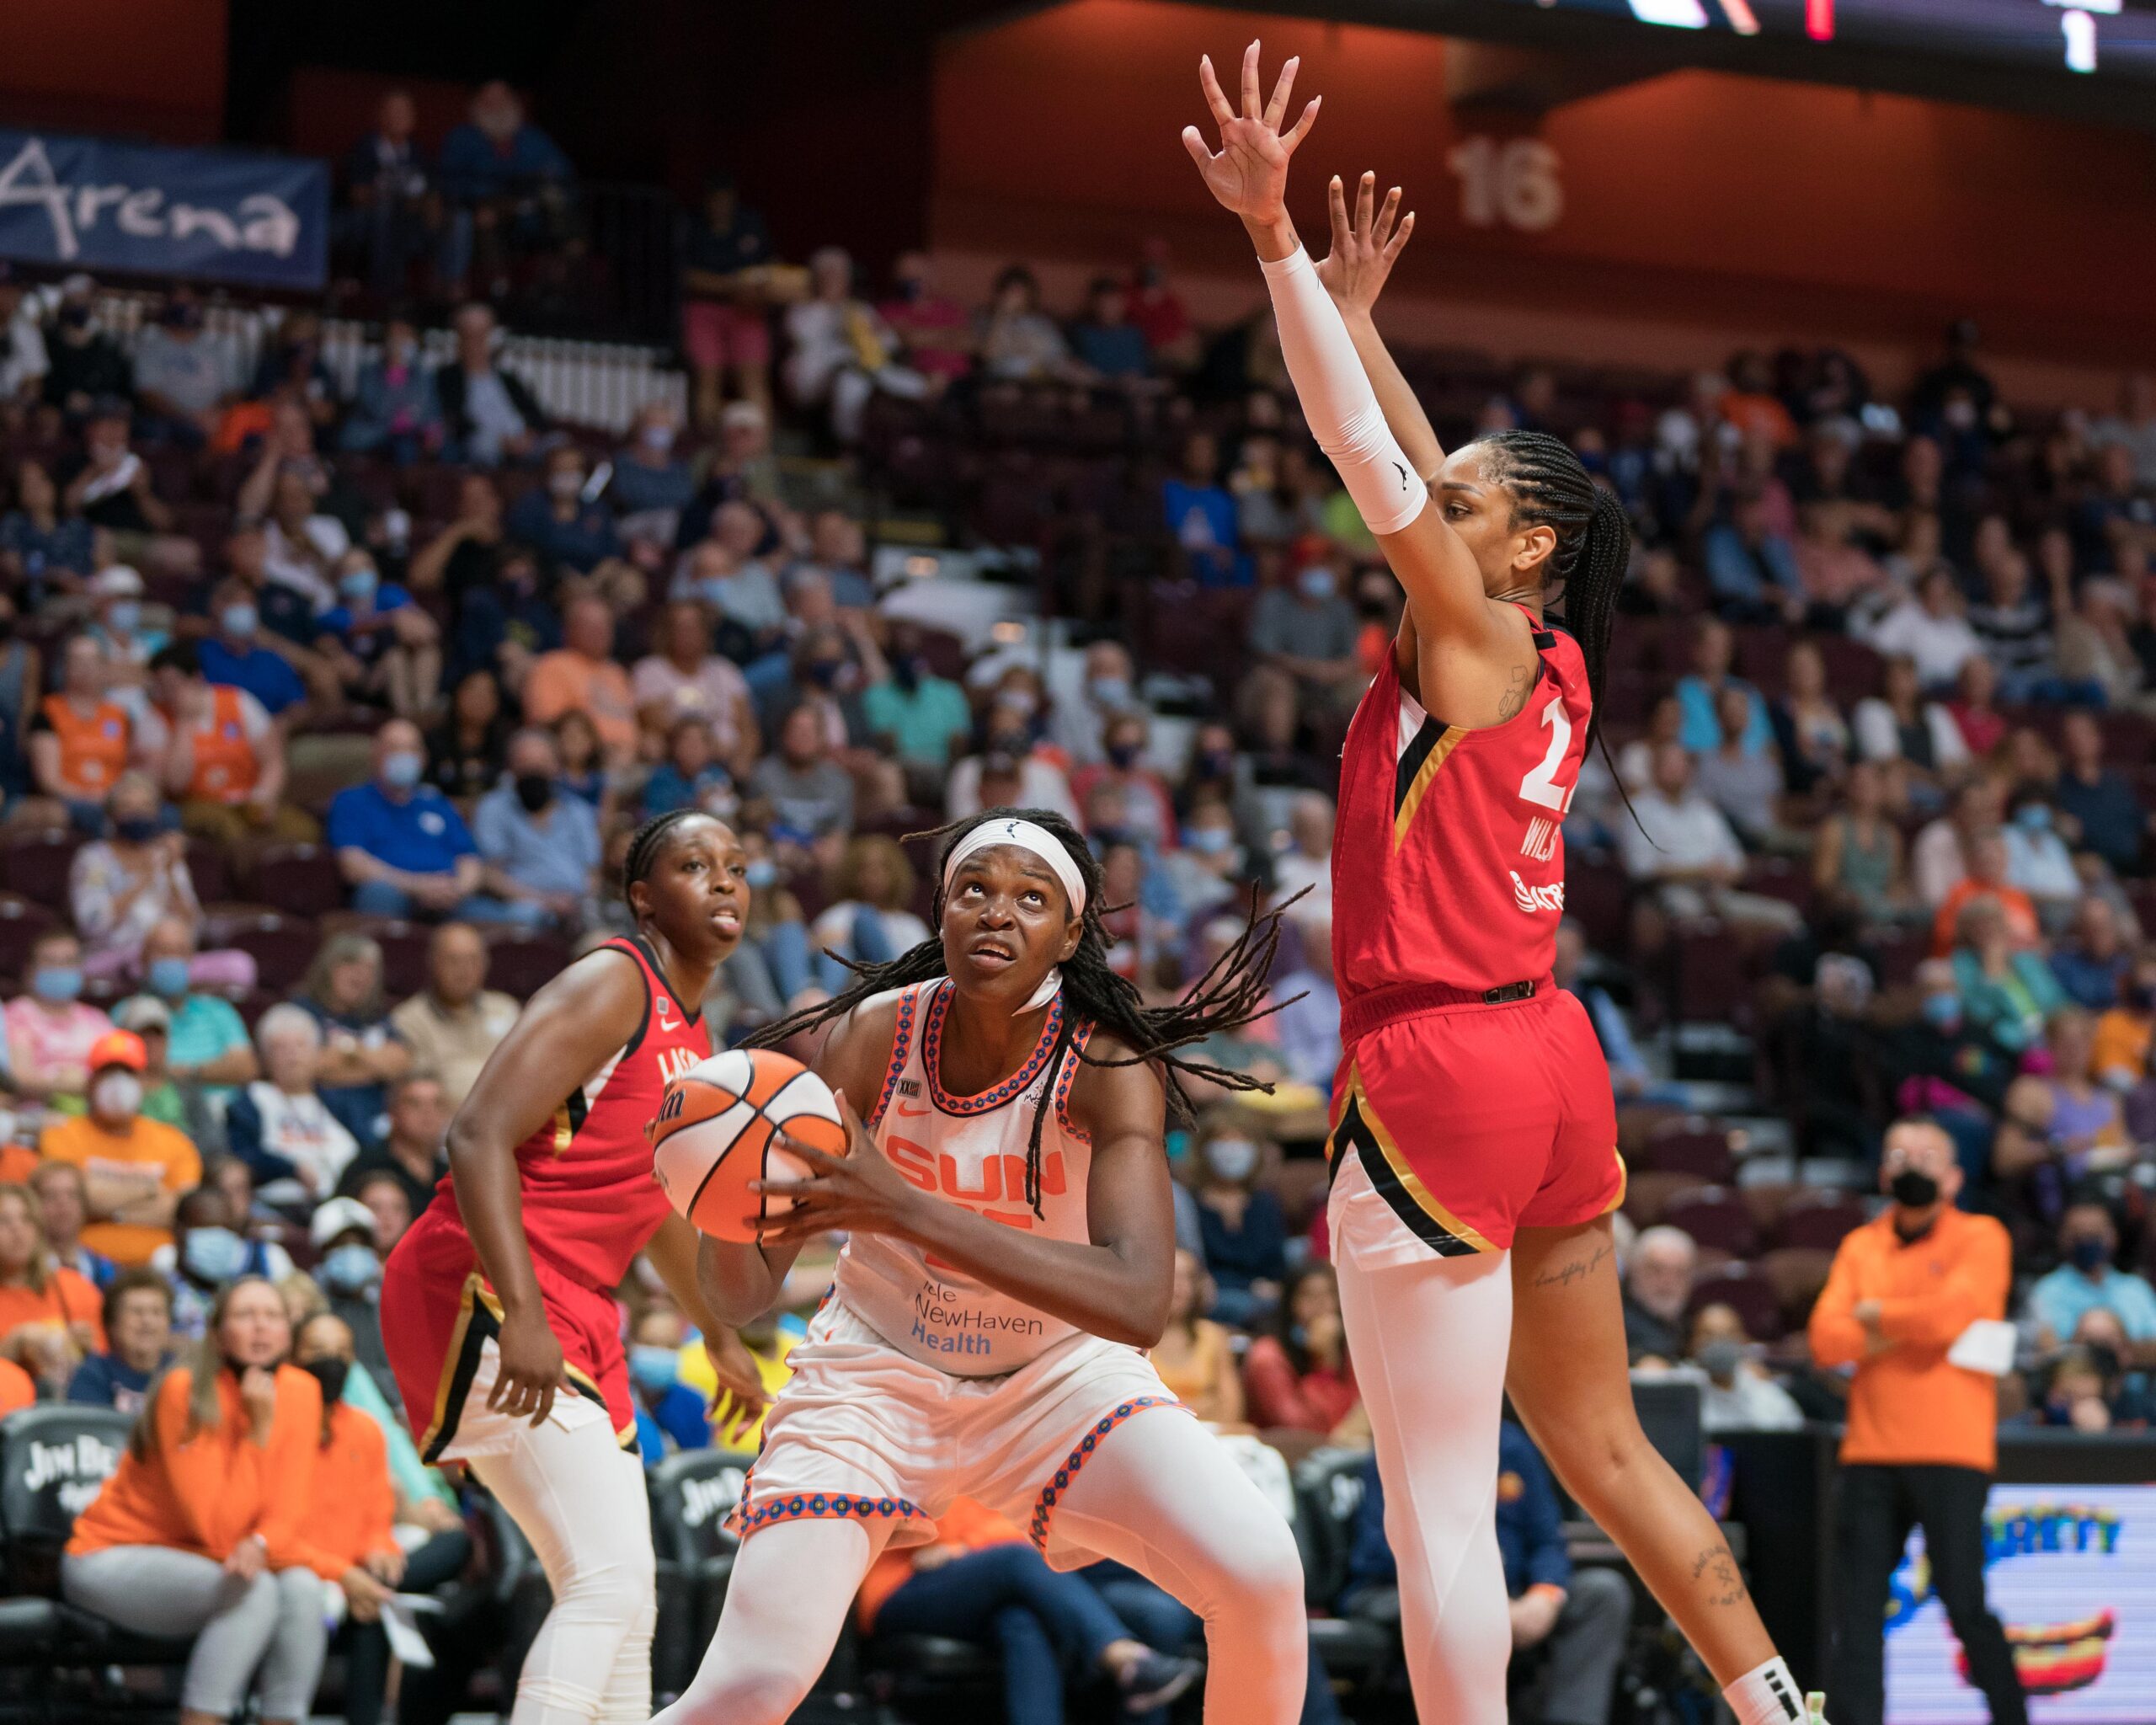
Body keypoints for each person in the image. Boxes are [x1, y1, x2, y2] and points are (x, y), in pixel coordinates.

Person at [1183, 62, 1816, 1724]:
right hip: (1549, 1057)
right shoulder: (1550, 659)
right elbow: (1419, 458)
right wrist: (1349, 307)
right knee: (1599, 1446)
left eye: (1470, 503)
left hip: (1435, 1074)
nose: (1434, 503)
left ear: (1522, 548)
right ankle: (1771, 1704)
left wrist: (1271, 249)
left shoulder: (1457, 633)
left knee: (1434, 1505)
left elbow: (1363, 455)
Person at [661, 809, 1311, 1725]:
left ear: (1069, 934)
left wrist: (910, 1208)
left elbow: (1135, 1301)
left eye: (1030, 898)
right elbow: (740, 1291)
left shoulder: (1106, 1058)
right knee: (753, 1680)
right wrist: (718, 1179)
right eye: (974, 889)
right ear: (940, 911)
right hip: (874, 1371)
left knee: (1261, 1575)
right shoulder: (877, 1035)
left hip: (1054, 1375)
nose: (996, 913)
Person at [380, 809, 767, 1725]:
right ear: (643, 897)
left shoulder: (695, 1034)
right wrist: (519, 1311)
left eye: (736, 867)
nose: (723, 881)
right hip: (484, 1278)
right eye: (693, 864)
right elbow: (473, 1134)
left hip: (572, 1298)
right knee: (608, 1579)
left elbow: (658, 1206)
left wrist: (718, 1331)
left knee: (630, 1598)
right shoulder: (612, 981)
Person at [1810, 1119, 2023, 1725]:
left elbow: (1957, 1315)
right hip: (1869, 1450)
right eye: (1899, 1153)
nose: (1912, 1164)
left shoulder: (1983, 1235)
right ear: (1882, 1172)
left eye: (1928, 1156)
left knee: (1964, 1603)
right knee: (1856, 1611)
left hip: (1953, 1449)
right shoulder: (1860, 1244)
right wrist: (1914, 1325)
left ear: (1954, 1177)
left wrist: (1874, 1318)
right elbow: (1826, 1340)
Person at [61, 1277, 331, 1725]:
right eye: (245, 1316)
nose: (260, 1328)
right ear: (218, 1330)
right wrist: (256, 1435)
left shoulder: (302, 1391)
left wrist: (263, 1543)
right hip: (112, 1555)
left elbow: (288, 1511)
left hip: (206, 1561)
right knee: (255, 1590)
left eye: (272, 1316)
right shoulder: (185, 1390)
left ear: (290, 1330)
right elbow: (217, 1529)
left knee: (303, 1588)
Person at [1343, 1428, 1634, 1725]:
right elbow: (1388, 1553)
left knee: (1603, 1593)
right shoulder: (1400, 1447)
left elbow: (1547, 1540)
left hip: (1514, 1597)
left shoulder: (1511, 1446)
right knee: (1456, 1614)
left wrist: (1543, 1598)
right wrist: (1483, 1602)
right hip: (1410, 1592)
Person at [856, 1498, 1201, 1721]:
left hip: (996, 1581)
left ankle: (1133, 1667)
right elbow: (926, 1522)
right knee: (1018, 1560)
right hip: (903, 1581)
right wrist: (971, 1545)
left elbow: (1037, 1520)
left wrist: (971, 1546)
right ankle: (1124, 1657)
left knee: (1023, 1622)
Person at [290, 1308, 470, 1725]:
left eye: (341, 1351)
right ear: (294, 1356)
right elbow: (281, 1526)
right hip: (303, 1563)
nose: (330, 1360)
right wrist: (343, 1572)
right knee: (370, 1605)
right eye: (317, 1350)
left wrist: (378, 1548)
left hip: (357, 1563)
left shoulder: (366, 1428)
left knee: (447, 1548)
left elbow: (377, 1513)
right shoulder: (278, 1423)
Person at [38, 1029, 203, 1264]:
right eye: (108, 1073)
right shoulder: (61, 1136)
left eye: (128, 1073)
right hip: (84, 1264)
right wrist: (152, 1188)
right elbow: (72, 1201)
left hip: (160, 1267)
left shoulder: (175, 1141)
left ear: (143, 1081)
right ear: (91, 1081)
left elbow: (182, 1209)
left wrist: (104, 1210)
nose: (118, 1083)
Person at [328, 719, 483, 917]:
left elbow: (470, 860)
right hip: (394, 893)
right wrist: (418, 886)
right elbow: (353, 865)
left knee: (499, 918)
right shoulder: (351, 801)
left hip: (448, 899)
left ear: (424, 758)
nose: (403, 756)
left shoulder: (437, 803)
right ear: (375, 754)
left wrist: (456, 889)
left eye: (411, 749)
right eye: (393, 748)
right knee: (379, 894)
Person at [224, 1005, 362, 1205]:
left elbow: (367, 1148)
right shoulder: (251, 1100)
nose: (292, 1056)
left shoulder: (338, 1103)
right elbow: (243, 1156)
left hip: (344, 1203)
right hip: (278, 1205)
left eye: (301, 1045)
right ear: (265, 1058)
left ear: (317, 1054)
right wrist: (291, 1169)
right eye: (281, 1048)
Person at [70, 772, 201, 977]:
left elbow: (193, 928)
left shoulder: (166, 857)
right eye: (128, 807)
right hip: (115, 956)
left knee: (238, 966)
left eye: (145, 807)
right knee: (136, 966)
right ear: (112, 814)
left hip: (169, 957)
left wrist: (170, 874)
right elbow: (92, 924)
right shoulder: (93, 858)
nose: (137, 814)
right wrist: (144, 879)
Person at [472, 726, 602, 927]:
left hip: (576, 906)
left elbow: (592, 873)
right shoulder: (494, 807)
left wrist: (577, 901)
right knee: (523, 916)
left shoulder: (578, 811)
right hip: (521, 905)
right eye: (525, 764)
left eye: (541, 764)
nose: (533, 772)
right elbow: (489, 874)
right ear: (510, 768)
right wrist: (542, 901)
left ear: (557, 767)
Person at [388, 923, 520, 1110]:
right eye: (453, 960)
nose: (464, 970)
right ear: (433, 963)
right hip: (446, 1129)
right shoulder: (408, 1020)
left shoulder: (506, 1009)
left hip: (511, 1120)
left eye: (473, 960)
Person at [126, 916, 259, 1099]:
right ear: (144, 959)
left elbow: (246, 1068)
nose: (171, 959)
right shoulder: (130, 1013)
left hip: (225, 1110)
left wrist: (189, 1072)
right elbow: (137, 1072)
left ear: (191, 959)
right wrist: (215, 1070)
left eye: (179, 952)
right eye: (163, 951)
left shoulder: (218, 1010)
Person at [0, 1181, 104, 1390]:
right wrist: (12, 1346)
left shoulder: (74, 1287)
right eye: (4, 1220)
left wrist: (83, 1348)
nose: (17, 1229)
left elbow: (106, 1365)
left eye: (27, 1219)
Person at [1241, 1263, 1363, 1441]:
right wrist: (1324, 1364)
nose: (1321, 1305)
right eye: (1309, 1295)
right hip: (1286, 1452)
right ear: (1290, 1302)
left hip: (1340, 1451)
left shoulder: (1347, 1346)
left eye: (1329, 1294)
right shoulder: (1267, 1357)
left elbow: (1358, 1413)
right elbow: (1302, 1428)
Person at [1187, 1114, 1288, 1327]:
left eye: (1240, 1141)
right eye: (1223, 1141)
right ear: (1204, 1149)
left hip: (1263, 1295)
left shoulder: (1265, 1203)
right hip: (1213, 1296)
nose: (1232, 1149)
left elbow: (1277, 1262)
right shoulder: (1190, 1203)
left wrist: (1274, 1286)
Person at [2022, 1202, 2156, 1354]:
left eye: (2095, 1235)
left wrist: (2115, 1348)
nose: (2087, 1242)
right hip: (2075, 1377)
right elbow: (2047, 1351)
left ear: (2113, 1236)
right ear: (2062, 1237)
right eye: (2078, 1235)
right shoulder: (2046, 1291)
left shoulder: (2136, 1289)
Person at [523, 593, 638, 766]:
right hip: (583, 766)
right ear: (570, 630)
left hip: (631, 764)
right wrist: (600, 751)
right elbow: (546, 725)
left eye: (605, 626)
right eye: (591, 626)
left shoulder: (616, 672)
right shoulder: (552, 665)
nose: (601, 633)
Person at [6, 929, 115, 1112]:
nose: (59, 968)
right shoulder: (17, 1014)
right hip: (38, 1118)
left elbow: (114, 1072)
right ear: (30, 970)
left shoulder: (97, 1019)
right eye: (50, 962)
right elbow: (20, 1077)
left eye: (68, 962)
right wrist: (70, 1084)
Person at [809, 835, 932, 993]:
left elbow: (921, 972)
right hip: (850, 991)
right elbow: (816, 949)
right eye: (865, 869)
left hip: (898, 992)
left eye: (882, 868)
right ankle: (826, 1005)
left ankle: (888, 985)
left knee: (865, 920)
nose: (873, 876)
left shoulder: (910, 924)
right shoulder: (840, 913)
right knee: (861, 920)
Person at [1150, 1247, 1244, 1426]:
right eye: (1171, 1276)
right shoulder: (1134, 1338)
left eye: (1187, 1278)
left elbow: (1231, 1405)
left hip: (1211, 1432)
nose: (1179, 1286)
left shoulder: (1214, 1335)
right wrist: (1204, 1405)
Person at [67, 1268, 175, 1414]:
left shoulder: (183, 1374)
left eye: (157, 1312)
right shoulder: (92, 1375)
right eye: (136, 1311)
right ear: (112, 1324)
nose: (147, 1321)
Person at [29, 1159, 116, 1288]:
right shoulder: (23, 1271)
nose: (63, 1203)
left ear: (84, 1204)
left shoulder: (105, 1270)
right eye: (51, 1195)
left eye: (72, 1195)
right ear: (33, 1205)